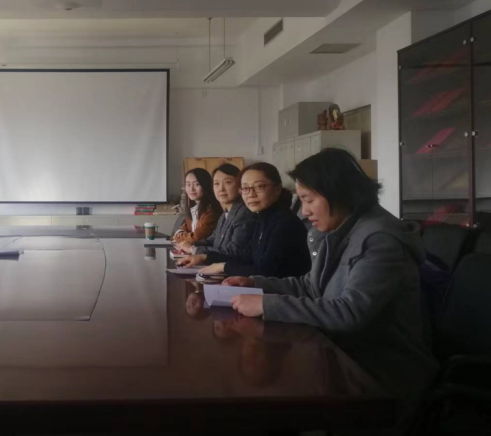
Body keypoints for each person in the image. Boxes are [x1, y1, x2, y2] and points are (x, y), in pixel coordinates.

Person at [223, 148, 438, 400]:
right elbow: (311, 286)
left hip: (380, 374)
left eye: (309, 199)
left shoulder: (380, 241)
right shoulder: (336, 230)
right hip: (339, 355)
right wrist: (255, 283)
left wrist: (266, 305)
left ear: (338, 193)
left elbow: (349, 312)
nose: (304, 211)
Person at [177, 162, 310, 279]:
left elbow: (266, 271)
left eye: (259, 187)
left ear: (277, 189)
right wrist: (204, 257)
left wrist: (222, 266)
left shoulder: (283, 223)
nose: (251, 194)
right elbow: (245, 256)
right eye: (246, 188)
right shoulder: (263, 218)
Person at [176, 164, 256, 259]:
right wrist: (188, 245)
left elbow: (233, 251)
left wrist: (192, 249)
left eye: (228, 182)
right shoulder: (225, 213)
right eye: (216, 183)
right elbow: (212, 240)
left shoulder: (244, 214)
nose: (221, 189)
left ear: (240, 185)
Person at [173, 168, 221, 244]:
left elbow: (196, 238)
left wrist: (179, 237)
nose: (191, 189)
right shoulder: (194, 207)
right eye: (188, 184)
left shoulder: (211, 211)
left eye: (197, 184)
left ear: (206, 186)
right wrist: (181, 231)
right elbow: (187, 225)